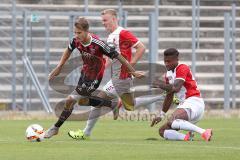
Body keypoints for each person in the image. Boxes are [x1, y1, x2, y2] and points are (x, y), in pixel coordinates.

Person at [67, 9, 165, 140]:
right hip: (121, 77)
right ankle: (163, 96)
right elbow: (109, 59)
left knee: (98, 101)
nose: (103, 23)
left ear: (114, 19)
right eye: (102, 21)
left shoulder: (122, 33)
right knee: (130, 106)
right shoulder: (111, 36)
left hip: (121, 77)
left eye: (105, 20)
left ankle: (86, 133)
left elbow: (141, 47)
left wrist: (130, 67)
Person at [44, 17, 143, 138]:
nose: (76, 35)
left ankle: (55, 128)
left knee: (70, 100)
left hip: (95, 76)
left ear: (86, 31)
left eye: (79, 33)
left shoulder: (98, 44)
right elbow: (68, 50)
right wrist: (60, 66)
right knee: (82, 101)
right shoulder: (76, 40)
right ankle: (112, 104)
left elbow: (119, 56)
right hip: (84, 73)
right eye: (75, 32)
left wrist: (132, 72)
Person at [150, 48, 212, 142]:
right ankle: (186, 138)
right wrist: (161, 115)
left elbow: (176, 88)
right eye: (165, 61)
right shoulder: (169, 74)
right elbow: (169, 95)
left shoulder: (182, 67)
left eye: (169, 61)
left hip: (194, 102)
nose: (166, 64)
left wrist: (159, 84)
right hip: (184, 106)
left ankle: (204, 132)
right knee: (163, 131)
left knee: (173, 120)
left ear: (177, 60)